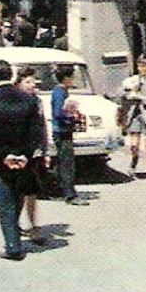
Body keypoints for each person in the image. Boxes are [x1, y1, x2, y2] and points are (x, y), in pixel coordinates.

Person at [0, 60, 46, 260]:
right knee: (17, 198)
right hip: (24, 161)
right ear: (11, 75)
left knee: (4, 203)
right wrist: (24, 155)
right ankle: (13, 237)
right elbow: (35, 132)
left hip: (0, 163)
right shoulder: (28, 100)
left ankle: (13, 246)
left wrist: (4, 155)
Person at [14, 67, 49, 244]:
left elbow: (42, 126)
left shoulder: (37, 101)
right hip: (18, 153)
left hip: (34, 152)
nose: (32, 85)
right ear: (19, 83)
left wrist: (46, 150)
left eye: (33, 81)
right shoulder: (14, 101)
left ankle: (33, 226)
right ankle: (15, 223)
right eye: (28, 81)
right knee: (20, 191)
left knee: (31, 191)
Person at [119, 54, 146, 178]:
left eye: (144, 65)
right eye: (139, 65)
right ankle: (134, 161)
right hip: (134, 114)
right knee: (134, 143)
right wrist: (127, 90)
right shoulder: (133, 79)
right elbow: (120, 93)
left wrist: (140, 97)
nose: (141, 68)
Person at [50, 63, 86, 205]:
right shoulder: (60, 92)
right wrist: (72, 117)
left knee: (62, 162)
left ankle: (60, 189)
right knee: (67, 163)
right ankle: (69, 194)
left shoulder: (61, 91)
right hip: (62, 130)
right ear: (66, 78)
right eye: (72, 77)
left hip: (62, 130)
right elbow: (58, 113)